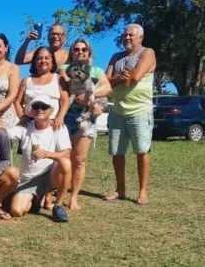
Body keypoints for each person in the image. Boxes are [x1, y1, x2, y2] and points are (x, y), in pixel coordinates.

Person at [104, 24, 156, 206]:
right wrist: (121, 77)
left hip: (140, 111)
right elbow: (105, 82)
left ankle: (142, 191)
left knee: (141, 151)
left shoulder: (147, 52)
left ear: (140, 37)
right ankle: (120, 189)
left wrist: (122, 78)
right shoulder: (116, 57)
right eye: (125, 34)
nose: (126, 37)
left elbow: (136, 77)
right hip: (118, 111)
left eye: (130, 35)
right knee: (117, 153)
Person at [58, 38, 112, 210]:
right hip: (66, 115)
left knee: (79, 160)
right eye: (77, 49)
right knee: (62, 158)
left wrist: (90, 97)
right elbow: (64, 87)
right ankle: (60, 193)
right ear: (72, 52)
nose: (80, 52)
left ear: (89, 53)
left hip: (86, 117)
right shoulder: (64, 68)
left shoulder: (96, 70)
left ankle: (74, 197)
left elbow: (108, 88)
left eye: (84, 50)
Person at [8, 96, 72, 223]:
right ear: (31, 111)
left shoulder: (58, 127)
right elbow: (6, 134)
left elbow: (66, 154)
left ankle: (58, 206)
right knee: (17, 211)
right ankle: (37, 199)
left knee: (65, 163)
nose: (39, 110)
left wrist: (48, 154)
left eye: (44, 107)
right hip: (28, 179)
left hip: (49, 176)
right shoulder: (25, 126)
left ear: (51, 110)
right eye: (36, 107)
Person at [14, 46, 69, 131]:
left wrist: (60, 117)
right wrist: (22, 117)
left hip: (52, 124)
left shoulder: (58, 79)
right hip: (29, 124)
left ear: (52, 61)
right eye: (39, 58)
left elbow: (65, 101)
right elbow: (17, 102)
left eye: (47, 58)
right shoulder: (26, 80)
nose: (43, 61)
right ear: (34, 62)